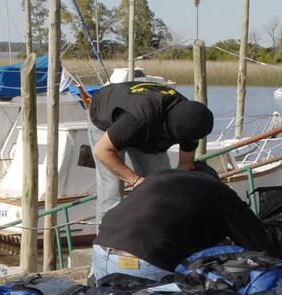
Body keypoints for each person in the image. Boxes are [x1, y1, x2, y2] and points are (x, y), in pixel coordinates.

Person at [89, 162, 277, 284]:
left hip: (100, 251)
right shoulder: (218, 190)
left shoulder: (159, 177)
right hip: (140, 262)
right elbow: (256, 241)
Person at [88, 81, 215, 226]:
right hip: (105, 115)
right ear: (167, 129)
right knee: (112, 191)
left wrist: (175, 189)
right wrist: (135, 180)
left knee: (161, 184)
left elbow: (185, 164)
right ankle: (107, 238)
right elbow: (101, 151)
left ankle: (156, 230)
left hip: (143, 125)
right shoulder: (139, 118)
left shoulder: (192, 121)